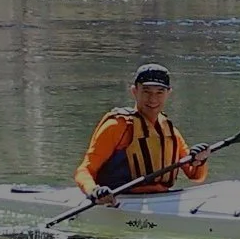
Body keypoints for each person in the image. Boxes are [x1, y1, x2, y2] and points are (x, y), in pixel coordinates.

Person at [75, 63, 208, 200]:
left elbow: (195, 176)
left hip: (160, 199)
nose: (153, 99)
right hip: (120, 200)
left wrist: (200, 161)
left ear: (168, 93)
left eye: (159, 92)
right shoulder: (117, 126)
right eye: (146, 91)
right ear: (134, 91)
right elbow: (84, 170)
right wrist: (94, 191)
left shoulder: (171, 132)